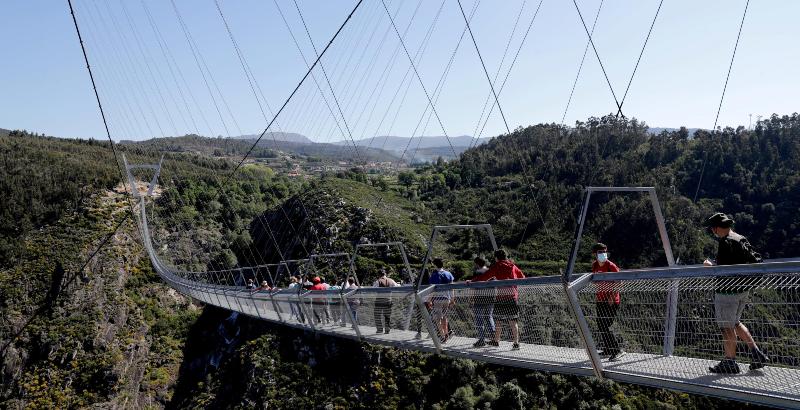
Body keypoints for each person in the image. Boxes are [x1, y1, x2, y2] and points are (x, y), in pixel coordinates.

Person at [702, 212, 768, 374]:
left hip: (728, 291)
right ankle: (756, 353)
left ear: (716, 228)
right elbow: (733, 264)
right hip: (743, 289)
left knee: (726, 327)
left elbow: (722, 270)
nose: (713, 232)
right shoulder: (739, 238)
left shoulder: (725, 242)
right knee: (736, 322)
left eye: (713, 229)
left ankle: (730, 362)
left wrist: (709, 265)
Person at [472, 249, 525, 350]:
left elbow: (485, 277)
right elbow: (522, 276)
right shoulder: (512, 265)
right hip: (512, 296)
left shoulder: (497, 265)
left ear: (496, 258)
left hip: (501, 296)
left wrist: (472, 281)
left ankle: (496, 341)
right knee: (513, 321)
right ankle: (516, 343)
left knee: (498, 320)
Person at [591, 243, 626, 361]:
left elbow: (619, 281)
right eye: (600, 252)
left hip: (611, 301)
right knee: (601, 325)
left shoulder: (611, 266)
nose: (603, 254)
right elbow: (595, 280)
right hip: (600, 299)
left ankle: (617, 350)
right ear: (595, 254)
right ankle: (608, 349)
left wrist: (611, 296)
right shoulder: (595, 265)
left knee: (606, 324)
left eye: (604, 252)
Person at [427, 258, 455, 343]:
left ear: (435, 265)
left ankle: (443, 336)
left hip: (438, 299)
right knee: (444, 317)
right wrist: (452, 299)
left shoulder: (434, 275)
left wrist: (429, 300)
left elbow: (432, 289)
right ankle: (446, 333)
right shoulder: (448, 273)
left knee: (437, 319)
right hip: (447, 299)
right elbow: (452, 287)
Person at [469, 257, 495, 348]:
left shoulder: (477, 272)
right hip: (490, 298)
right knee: (489, 317)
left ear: (477, 264)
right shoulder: (490, 271)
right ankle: (493, 338)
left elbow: (473, 286)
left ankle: (481, 340)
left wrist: (471, 298)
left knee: (479, 320)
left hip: (479, 298)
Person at [373, 268, 399, 334]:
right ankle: (387, 330)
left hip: (379, 300)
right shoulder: (391, 280)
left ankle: (379, 329)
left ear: (379, 275)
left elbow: (373, 290)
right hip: (388, 300)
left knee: (377, 315)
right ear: (385, 274)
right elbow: (397, 286)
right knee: (387, 315)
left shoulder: (378, 281)